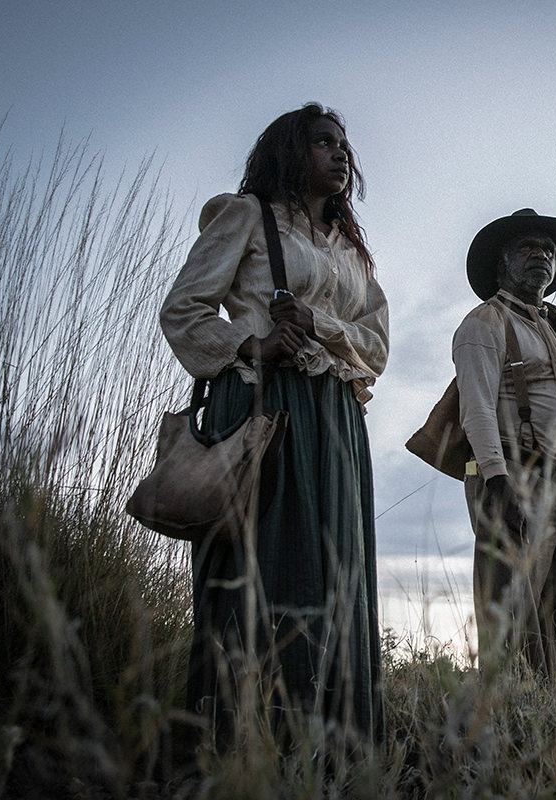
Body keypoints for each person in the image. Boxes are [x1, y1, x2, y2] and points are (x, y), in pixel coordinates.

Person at [160, 103, 388, 747]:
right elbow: (183, 309)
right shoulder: (247, 216)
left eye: (345, 145)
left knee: (336, 573)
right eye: (323, 142)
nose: (341, 154)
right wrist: (250, 344)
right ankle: (234, 748)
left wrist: (320, 325)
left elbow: (376, 346)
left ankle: (330, 752)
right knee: (261, 570)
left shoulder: (352, 252)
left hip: (338, 420)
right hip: (263, 409)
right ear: (290, 151)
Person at [453, 208, 556, 687]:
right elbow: (477, 409)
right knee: (514, 632)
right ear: (502, 264)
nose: (542, 255)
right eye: (527, 247)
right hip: (514, 481)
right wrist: (498, 485)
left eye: (548, 249)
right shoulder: (485, 322)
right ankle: (502, 740)